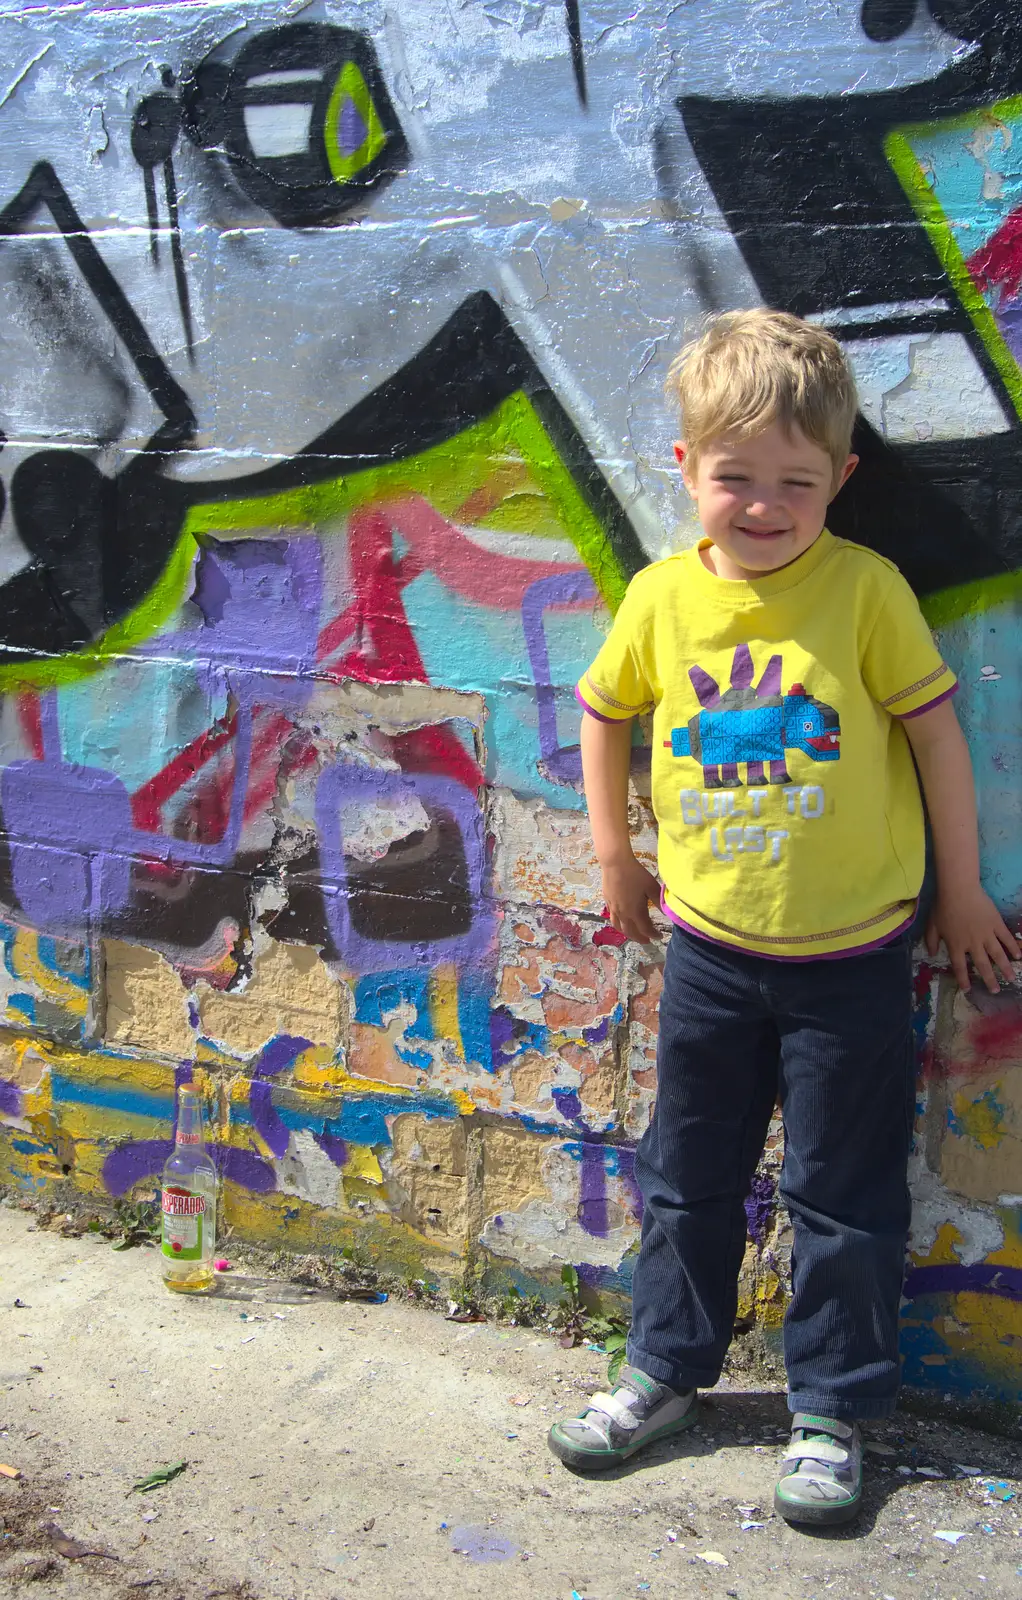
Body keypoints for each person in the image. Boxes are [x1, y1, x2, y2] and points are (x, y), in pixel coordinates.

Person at [547, 309, 1019, 1526]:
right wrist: (615, 852)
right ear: (683, 469)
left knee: (840, 1194)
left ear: (839, 479)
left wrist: (957, 892)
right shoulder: (660, 597)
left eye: (793, 483)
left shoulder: (863, 592)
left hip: (851, 963)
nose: (761, 505)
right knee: (686, 1175)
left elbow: (933, 739)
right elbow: (606, 713)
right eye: (733, 477)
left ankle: (830, 1409)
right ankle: (664, 1368)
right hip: (707, 952)